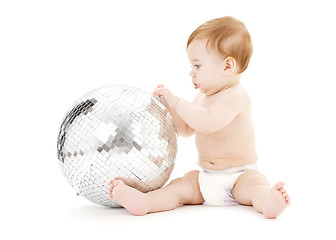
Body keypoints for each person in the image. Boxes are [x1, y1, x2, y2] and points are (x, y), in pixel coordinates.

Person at [109, 16, 290, 219]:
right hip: (206, 177)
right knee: (179, 187)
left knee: (256, 185)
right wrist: (168, 109)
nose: (191, 73)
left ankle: (268, 202)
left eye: (197, 66)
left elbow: (208, 123)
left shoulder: (236, 96)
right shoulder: (202, 97)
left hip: (240, 176)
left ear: (227, 66)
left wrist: (177, 102)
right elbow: (187, 129)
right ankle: (146, 202)